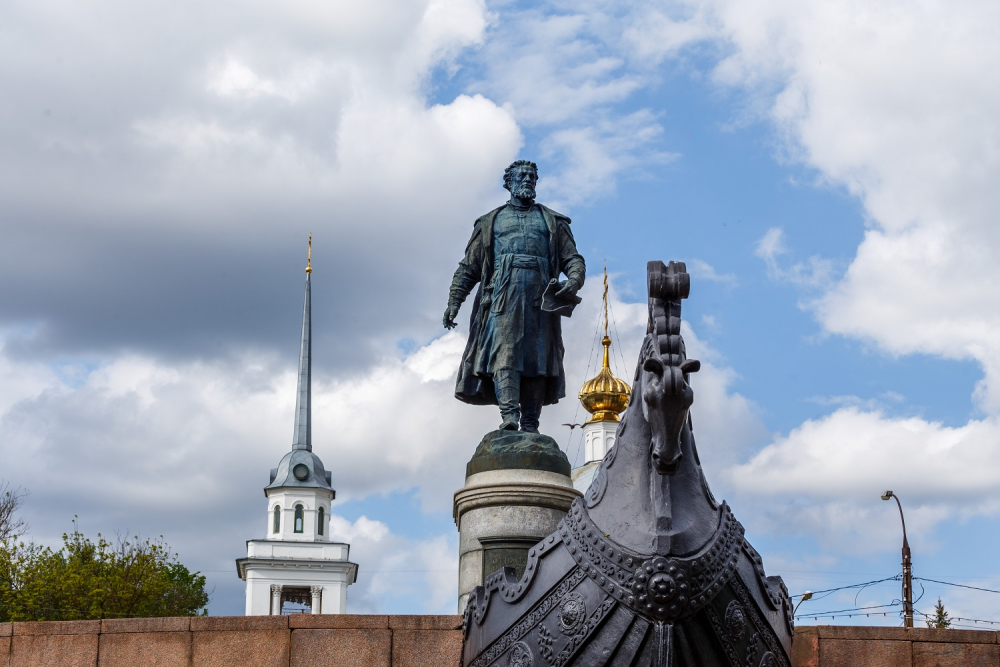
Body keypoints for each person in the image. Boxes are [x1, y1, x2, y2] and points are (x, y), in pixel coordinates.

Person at [444, 160, 586, 432]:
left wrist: (575, 280)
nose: (527, 179)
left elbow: (573, 259)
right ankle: (509, 416)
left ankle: (531, 423)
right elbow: (468, 267)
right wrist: (454, 302)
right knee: (505, 355)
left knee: (537, 358)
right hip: (502, 296)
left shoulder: (552, 221)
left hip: (541, 297)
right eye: (521, 175)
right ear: (508, 182)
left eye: (532, 176)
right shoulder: (491, 221)